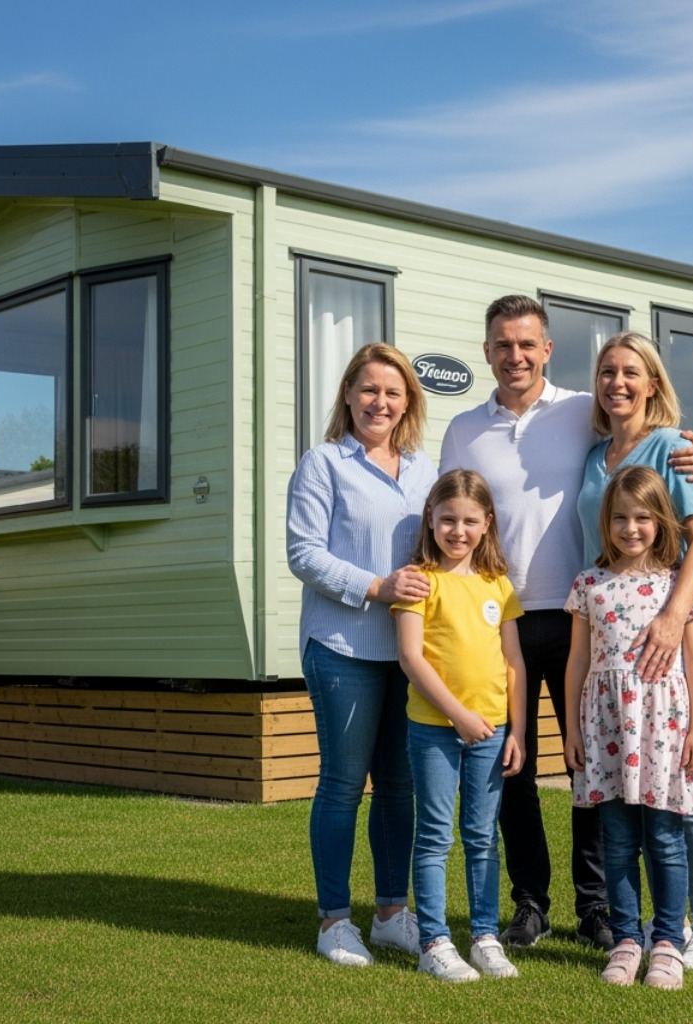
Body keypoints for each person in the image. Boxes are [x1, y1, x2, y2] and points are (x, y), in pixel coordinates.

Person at [440, 295, 693, 950]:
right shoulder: (462, 429)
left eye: (526, 344)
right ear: (487, 351)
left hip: (581, 619)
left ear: (547, 350)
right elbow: (450, 512)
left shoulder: (581, 411)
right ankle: (529, 903)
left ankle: (598, 908)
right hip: (499, 623)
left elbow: (647, 440)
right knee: (514, 771)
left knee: (591, 767)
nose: (515, 356)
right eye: (503, 345)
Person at [574, 331, 693, 971]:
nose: (618, 382)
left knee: (684, 794)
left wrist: (672, 615)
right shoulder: (594, 454)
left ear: (654, 383)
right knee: (624, 818)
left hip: (663, 631)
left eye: (631, 372)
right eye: (607, 372)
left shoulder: (670, 445)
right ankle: (640, 929)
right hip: (610, 634)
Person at [286, 343, 433, 967]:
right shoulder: (323, 463)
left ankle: (391, 916)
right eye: (369, 389)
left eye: (393, 392)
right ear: (348, 394)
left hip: (408, 654)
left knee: (399, 787)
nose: (380, 402)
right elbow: (303, 553)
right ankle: (334, 921)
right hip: (342, 648)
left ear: (408, 402)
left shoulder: (424, 469)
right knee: (344, 785)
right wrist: (378, 587)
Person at [564, 465, 693, 990]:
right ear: (605, 522)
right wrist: (572, 730)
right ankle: (627, 941)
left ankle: (667, 942)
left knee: (666, 839)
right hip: (607, 730)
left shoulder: (678, 587)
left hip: (663, 729)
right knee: (619, 841)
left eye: (643, 517)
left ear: (661, 521)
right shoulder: (589, 585)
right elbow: (578, 661)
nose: (631, 528)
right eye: (620, 518)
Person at [393, 470, 529, 982]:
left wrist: (517, 731)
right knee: (434, 836)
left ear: (487, 523)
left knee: (482, 837)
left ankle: (485, 937)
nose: (458, 530)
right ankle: (434, 943)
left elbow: (513, 661)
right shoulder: (418, 581)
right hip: (435, 729)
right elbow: (410, 658)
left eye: (470, 521)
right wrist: (458, 715)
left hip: (492, 734)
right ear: (430, 518)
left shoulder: (499, 585)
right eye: (448, 519)